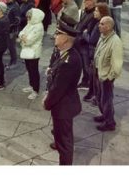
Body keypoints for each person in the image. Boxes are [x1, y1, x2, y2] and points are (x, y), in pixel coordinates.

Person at [44, 15, 82, 165]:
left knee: (65, 144)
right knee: (61, 139)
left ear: (65, 39)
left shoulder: (69, 61)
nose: (55, 36)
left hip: (64, 106)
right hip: (63, 104)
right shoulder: (65, 54)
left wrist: (47, 102)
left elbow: (59, 89)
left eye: (58, 34)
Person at [93, 16, 123, 131]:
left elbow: (117, 64)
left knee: (106, 100)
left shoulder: (115, 42)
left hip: (106, 76)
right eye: (100, 23)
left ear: (109, 27)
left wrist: (109, 77)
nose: (99, 25)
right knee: (100, 97)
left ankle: (110, 122)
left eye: (102, 24)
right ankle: (104, 116)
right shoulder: (103, 36)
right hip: (98, 72)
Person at [18, 8, 44, 100]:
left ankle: (35, 90)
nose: (28, 19)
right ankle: (31, 85)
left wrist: (23, 38)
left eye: (29, 17)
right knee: (29, 69)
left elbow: (29, 41)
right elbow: (21, 32)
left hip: (34, 52)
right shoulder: (30, 23)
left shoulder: (39, 27)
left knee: (34, 71)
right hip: (27, 50)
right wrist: (22, 36)